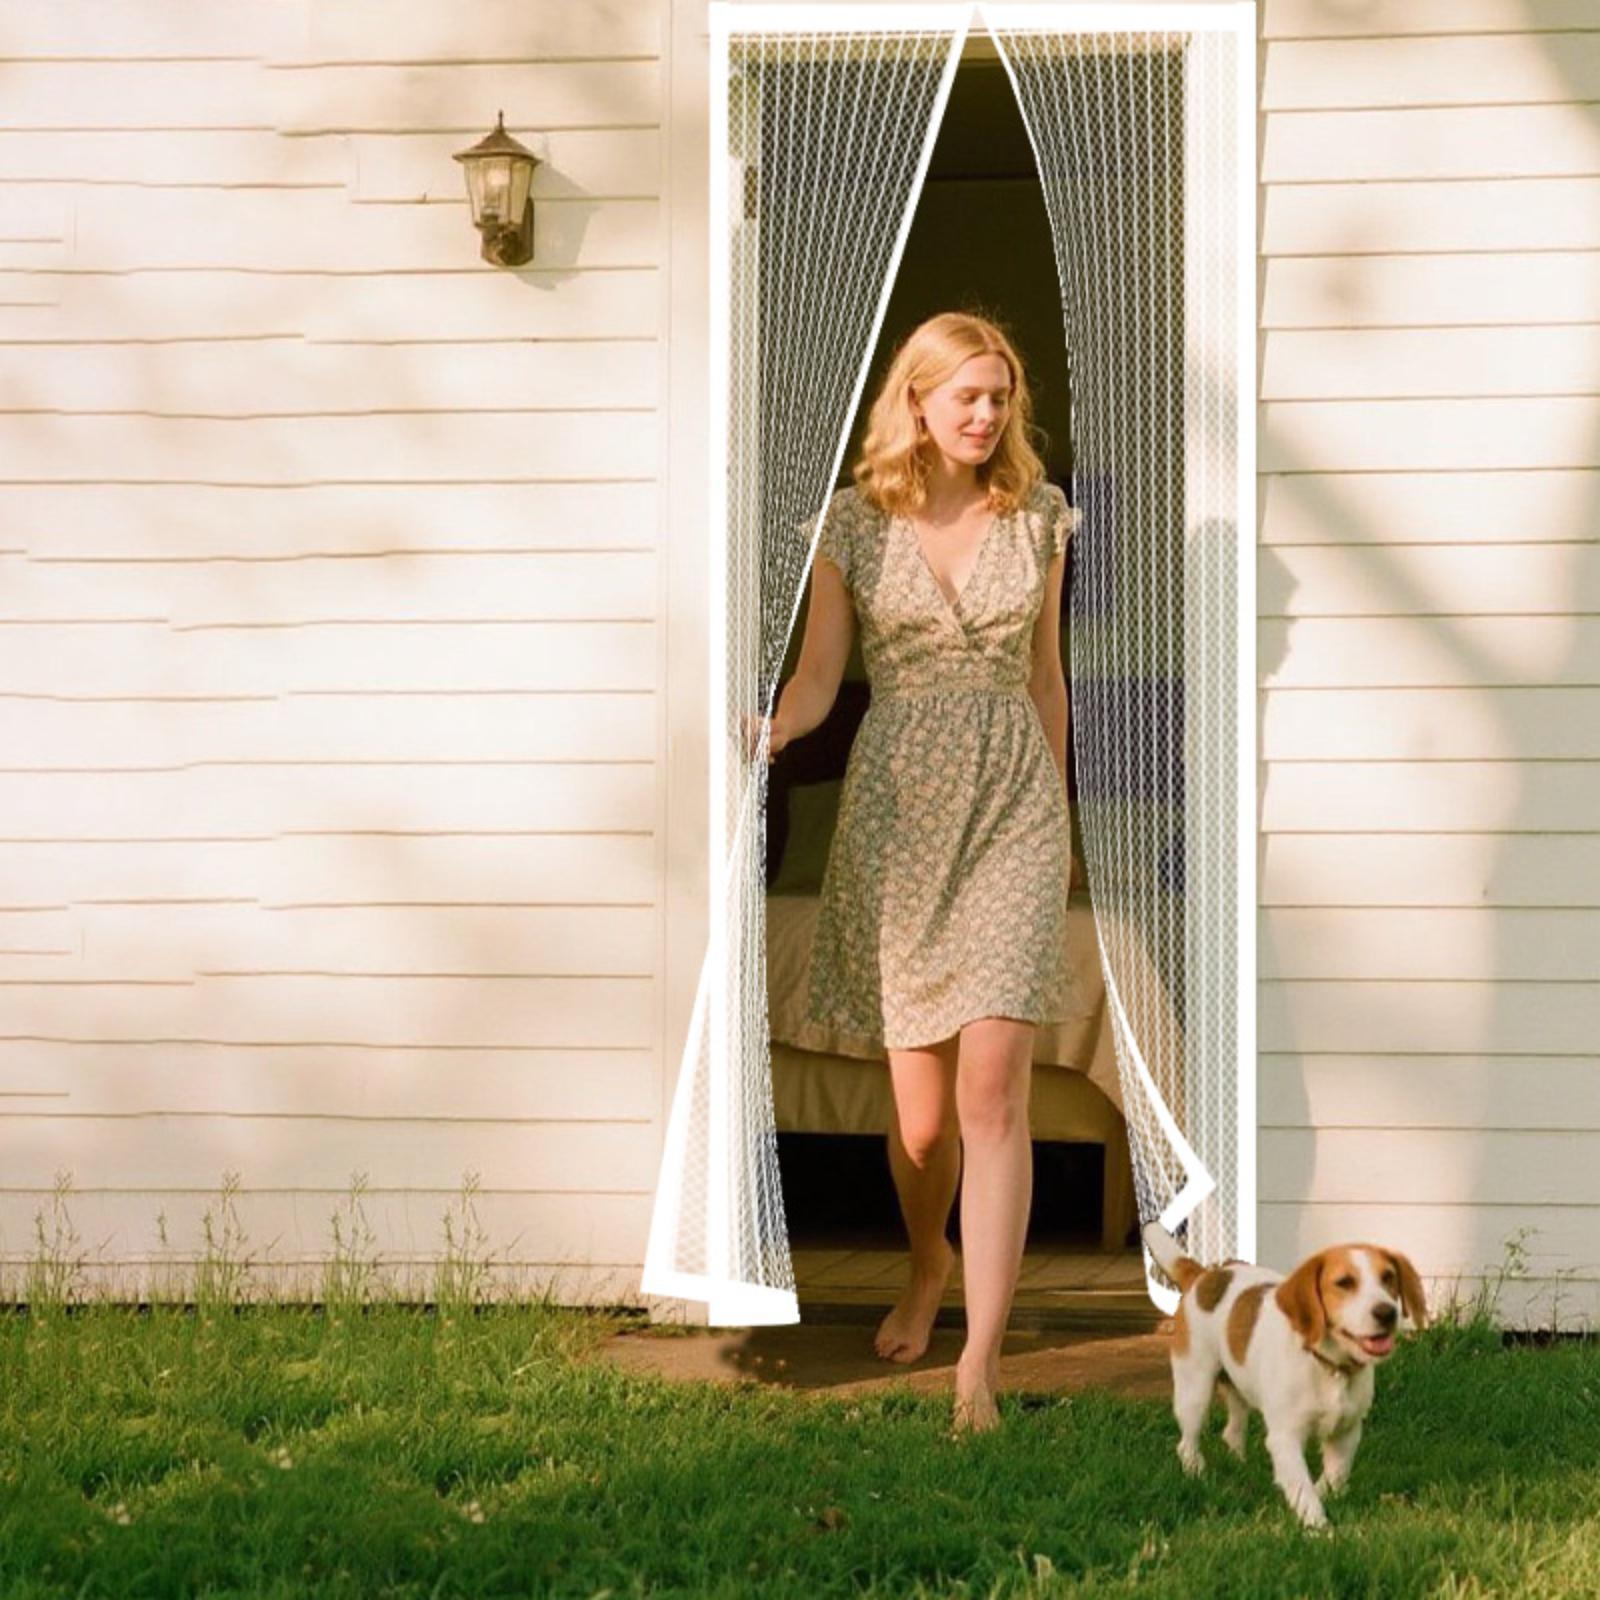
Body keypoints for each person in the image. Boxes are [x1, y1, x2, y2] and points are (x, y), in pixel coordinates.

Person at [753, 310, 1078, 1435]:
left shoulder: (1039, 517)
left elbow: (1045, 679)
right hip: (897, 818)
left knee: (993, 1094)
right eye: (966, 397)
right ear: (919, 403)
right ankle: (926, 1258)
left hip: (1011, 810)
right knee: (927, 1126)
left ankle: (978, 1361)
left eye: (999, 396)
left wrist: (1059, 819)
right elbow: (820, 677)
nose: (986, 415)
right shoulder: (852, 522)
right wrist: (771, 730)